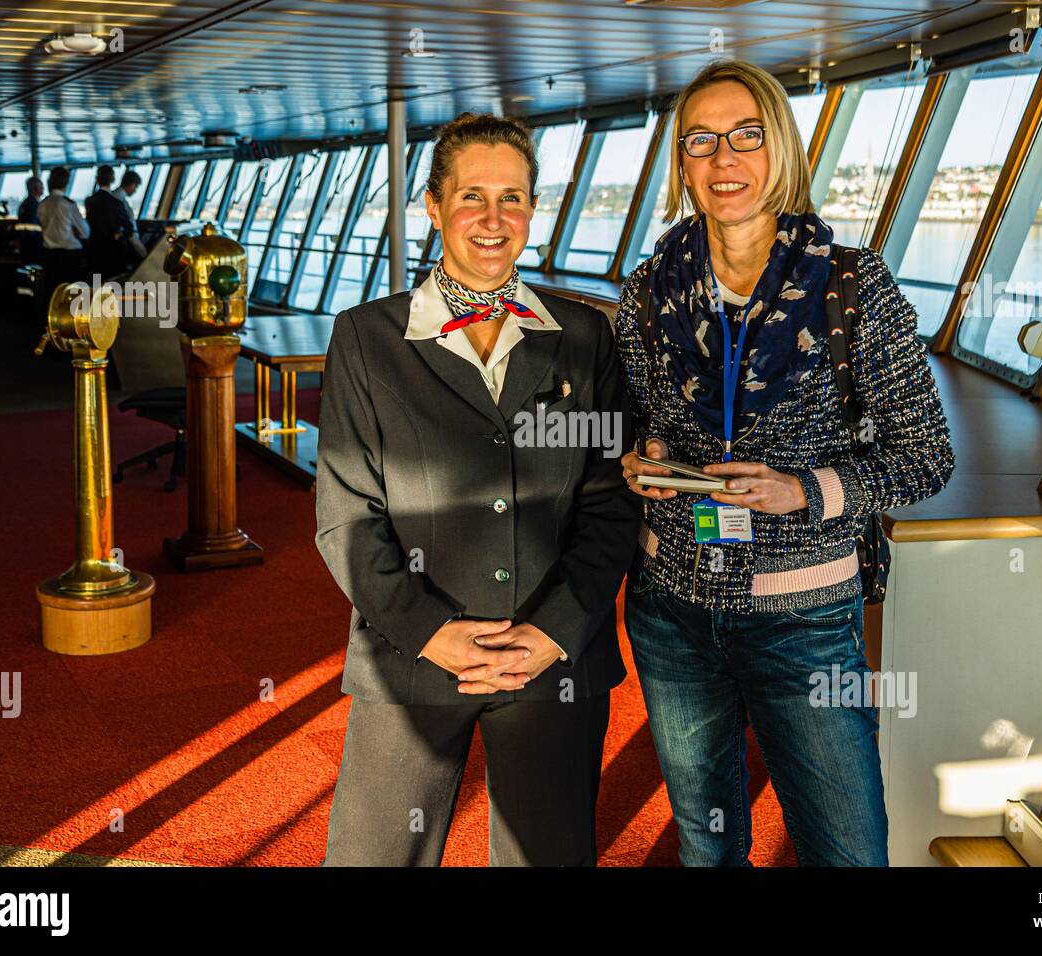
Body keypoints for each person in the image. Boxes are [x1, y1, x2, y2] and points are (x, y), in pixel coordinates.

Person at [615, 59, 955, 867]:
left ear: (783, 151)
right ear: (682, 160)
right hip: (671, 609)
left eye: (745, 136)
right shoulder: (647, 289)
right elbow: (634, 424)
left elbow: (925, 457)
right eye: (701, 140)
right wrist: (642, 457)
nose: (722, 158)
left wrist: (803, 490)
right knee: (709, 846)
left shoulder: (852, 284)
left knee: (846, 851)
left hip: (803, 619)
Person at [315, 112, 640, 867]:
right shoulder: (367, 339)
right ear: (433, 206)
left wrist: (552, 631)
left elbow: (608, 502)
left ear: (533, 207)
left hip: (552, 657)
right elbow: (347, 520)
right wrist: (433, 633)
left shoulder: (585, 339)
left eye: (514, 198)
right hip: (411, 653)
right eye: (472, 197)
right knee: (373, 857)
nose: (494, 220)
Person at [85, 165, 145, 277]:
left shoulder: (89, 201)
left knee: (97, 284)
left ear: (97, 179)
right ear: (113, 180)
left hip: (93, 250)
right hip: (112, 252)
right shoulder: (116, 203)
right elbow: (128, 228)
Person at [37, 167, 89, 296]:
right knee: (72, 296)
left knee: (52, 293)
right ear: (66, 183)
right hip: (70, 257)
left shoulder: (42, 204)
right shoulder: (68, 204)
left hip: (49, 255)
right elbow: (85, 232)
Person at [18, 177, 45, 264]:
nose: (43, 189)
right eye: (42, 186)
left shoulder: (24, 204)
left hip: (25, 244)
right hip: (34, 245)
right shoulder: (34, 205)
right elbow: (33, 228)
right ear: (36, 188)